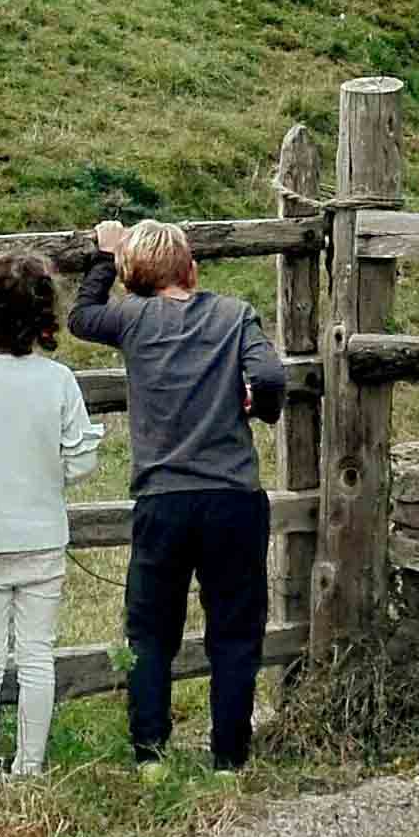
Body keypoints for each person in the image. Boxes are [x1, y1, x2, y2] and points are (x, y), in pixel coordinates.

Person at [70, 218, 284, 773]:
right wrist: (255, 405)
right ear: (192, 269)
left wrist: (101, 255)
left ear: (134, 277)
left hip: (163, 499)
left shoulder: (132, 318)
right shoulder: (235, 315)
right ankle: (229, 759)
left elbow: (81, 315)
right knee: (235, 633)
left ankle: (150, 754)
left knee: (150, 631)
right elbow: (270, 378)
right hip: (233, 496)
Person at [0, 250, 102, 777]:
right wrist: (51, 472)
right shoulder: (58, 381)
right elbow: (82, 460)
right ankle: (30, 765)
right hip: (42, 535)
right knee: (37, 655)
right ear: (45, 315)